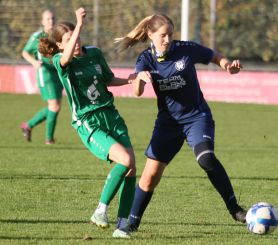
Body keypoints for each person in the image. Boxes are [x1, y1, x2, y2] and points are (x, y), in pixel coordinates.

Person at [115, 14, 247, 232]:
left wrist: (227, 66)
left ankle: (235, 210)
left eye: (170, 34)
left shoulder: (185, 49)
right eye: (162, 35)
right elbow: (137, 92)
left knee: (206, 158)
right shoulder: (144, 60)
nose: (167, 39)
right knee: (149, 178)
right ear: (150, 35)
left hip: (196, 116)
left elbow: (214, 56)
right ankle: (132, 224)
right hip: (168, 123)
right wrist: (139, 79)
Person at [38, 8, 151, 238]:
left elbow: (107, 79)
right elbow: (67, 57)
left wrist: (130, 79)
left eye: (78, 37)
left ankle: (122, 227)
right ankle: (100, 210)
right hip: (88, 120)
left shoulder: (94, 54)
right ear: (60, 45)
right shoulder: (61, 60)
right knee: (125, 159)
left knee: (131, 168)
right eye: (69, 39)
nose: (76, 42)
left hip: (110, 115)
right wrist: (79, 25)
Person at [21, 9, 63, 145]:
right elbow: (25, 52)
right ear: (42, 21)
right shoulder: (38, 36)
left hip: (57, 74)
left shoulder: (57, 35)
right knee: (54, 106)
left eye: (53, 18)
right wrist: (33, 62)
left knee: (55, 107)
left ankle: (28, 125)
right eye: (48, 19)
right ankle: (48, 139)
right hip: (45, 75)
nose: (51, 21)